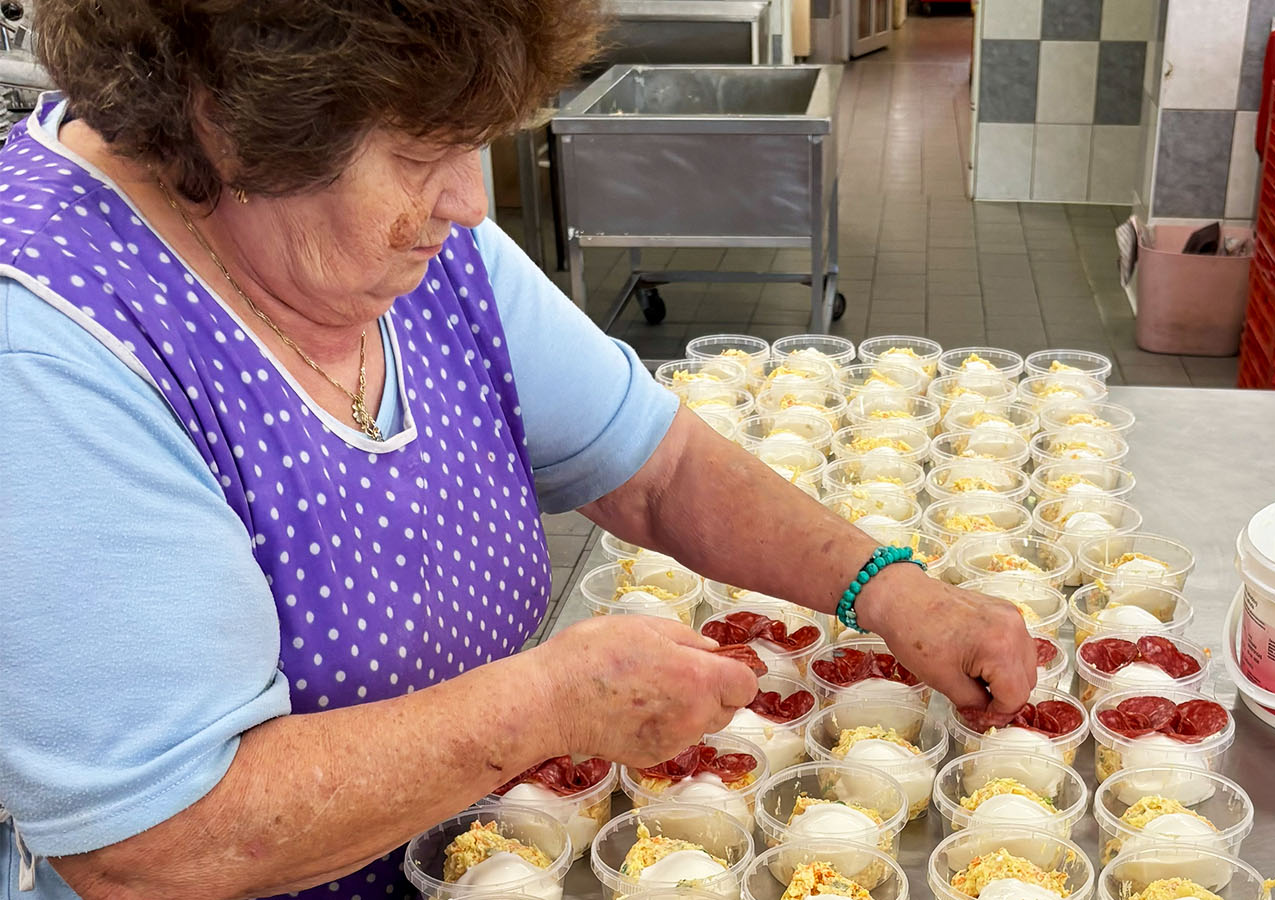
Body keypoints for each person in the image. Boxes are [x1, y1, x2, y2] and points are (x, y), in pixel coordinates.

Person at [0, 3, 1038, 898]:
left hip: (472, 850)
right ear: (228, 125)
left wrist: (892, 591)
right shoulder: (48, 346)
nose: (470, 204)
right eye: (419, 156)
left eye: (475, 144)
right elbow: (153, 846)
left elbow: (660, 466)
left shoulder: (410, 252)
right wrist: (542, 706)